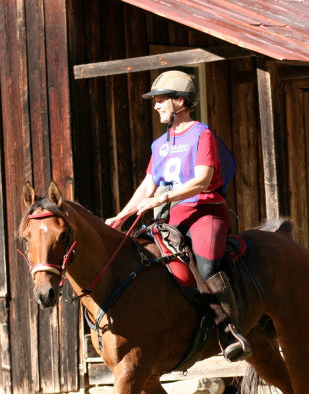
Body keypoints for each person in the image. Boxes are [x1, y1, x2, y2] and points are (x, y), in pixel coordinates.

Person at [105, 70, 251, 361]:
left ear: (180, 102)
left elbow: (201, 180)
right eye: (155, 101)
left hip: (206, 211)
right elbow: (148, 185)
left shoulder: (202, 134)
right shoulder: (159, 145)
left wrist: (164, 198)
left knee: (206, 267)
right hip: (173, 215)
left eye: (161, 100)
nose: (156, 105)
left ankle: (228, 331)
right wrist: (120, 217)